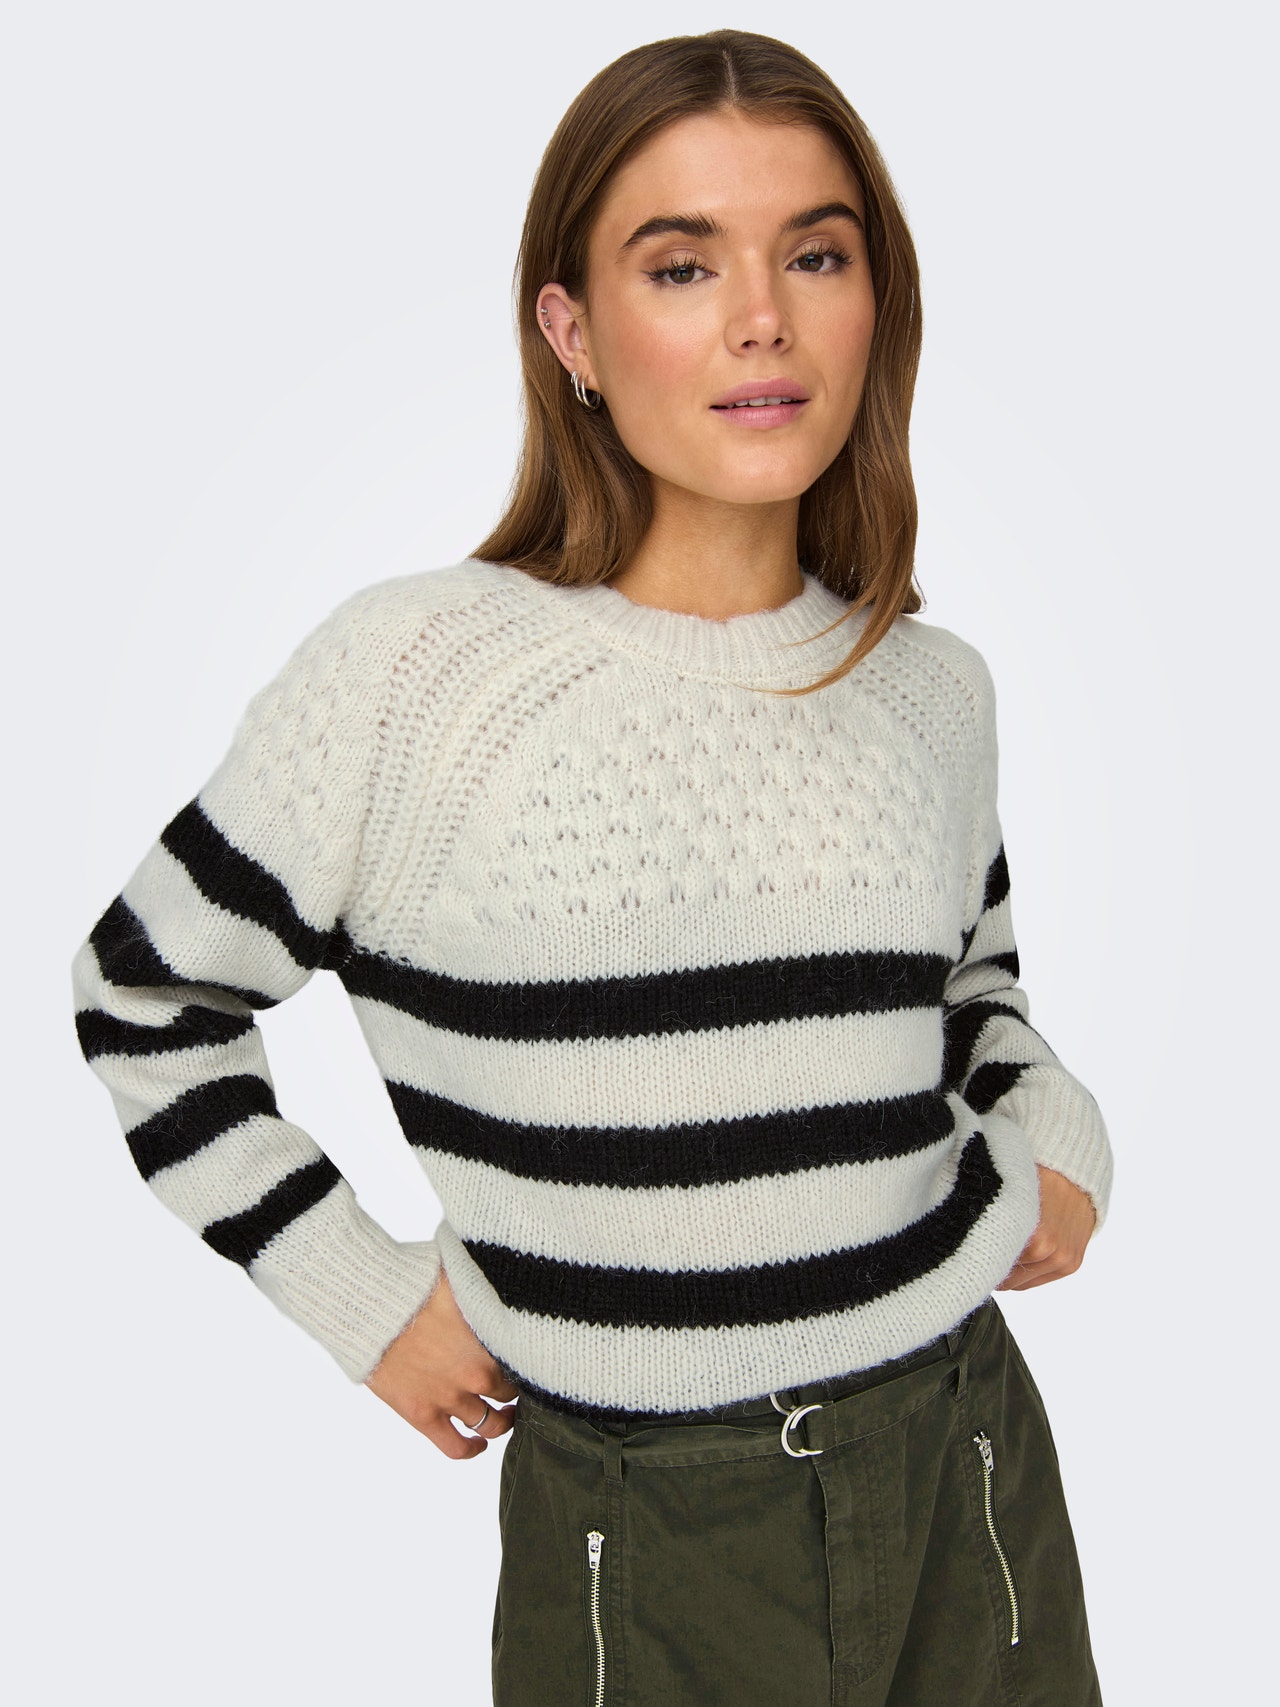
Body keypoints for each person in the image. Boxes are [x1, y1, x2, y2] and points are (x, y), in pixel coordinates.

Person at [72, 27, 1113, 1707]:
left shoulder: (932, 690)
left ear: (878, 304)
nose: (762, 318)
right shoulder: (421, 680)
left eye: (816, 255)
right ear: (571, 331)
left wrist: (1054, 1127)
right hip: (649, 1530)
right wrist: (361, 1292)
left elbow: (969, 994)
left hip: (966, 1473)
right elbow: (143, 994)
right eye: (682, 264)